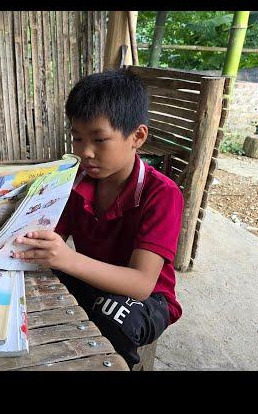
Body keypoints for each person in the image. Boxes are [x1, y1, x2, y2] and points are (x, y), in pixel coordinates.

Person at [12, 68, 183, 369]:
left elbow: (141, 283)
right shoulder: (76, 181)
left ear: (137, 137)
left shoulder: (162, 194)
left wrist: (64, 259)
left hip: (149, 299)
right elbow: (51, 237)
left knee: (114, 316)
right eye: (77, 138)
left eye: (100, 139)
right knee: (35, 286)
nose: (85, 152)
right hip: (91, 278)